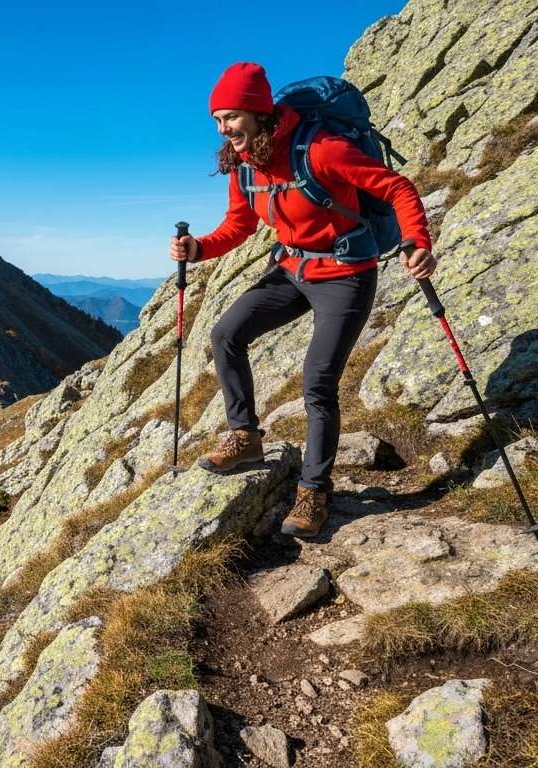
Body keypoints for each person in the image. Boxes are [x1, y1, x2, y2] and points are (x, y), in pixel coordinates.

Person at [169, 62, 436, 538]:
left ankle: (314, 491)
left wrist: (417, 239)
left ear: (256, 112)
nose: (223, 128)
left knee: (317, 382)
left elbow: (396, 187)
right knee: (225, 333)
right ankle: (245, 435)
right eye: (216, 120)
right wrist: (200, 248)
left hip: (345, 275)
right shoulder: (245, 165)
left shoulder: (322, 149)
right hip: (291, 269)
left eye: (230, 117)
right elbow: (240, 226)